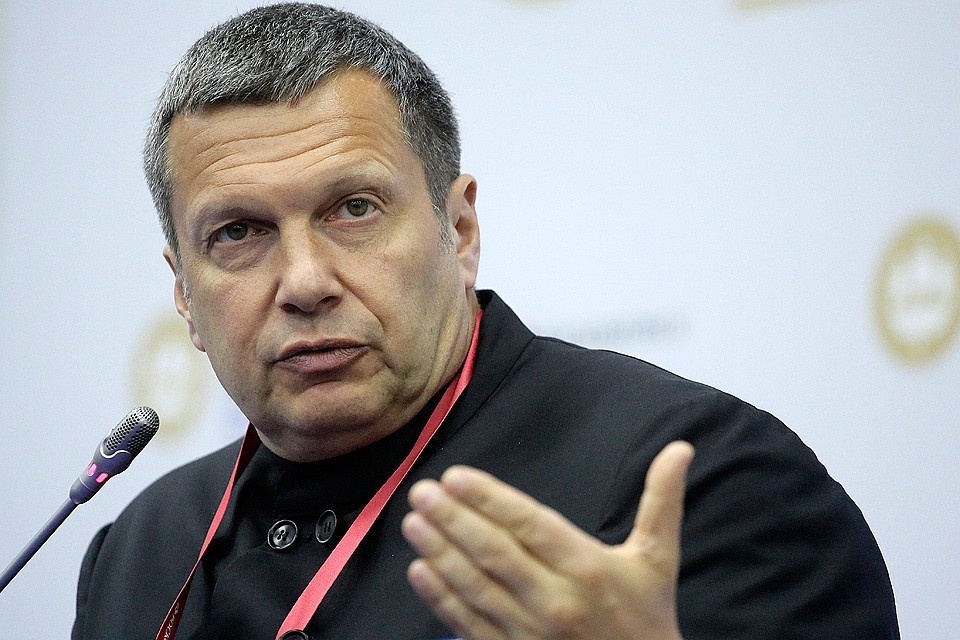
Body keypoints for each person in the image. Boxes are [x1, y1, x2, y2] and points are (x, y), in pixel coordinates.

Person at [72, 4, 899, 640]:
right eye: (238, 233)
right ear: (184, 293)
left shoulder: (701, 482)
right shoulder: (138, 548)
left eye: (353, 209)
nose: (306, 282)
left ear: (460, 230)